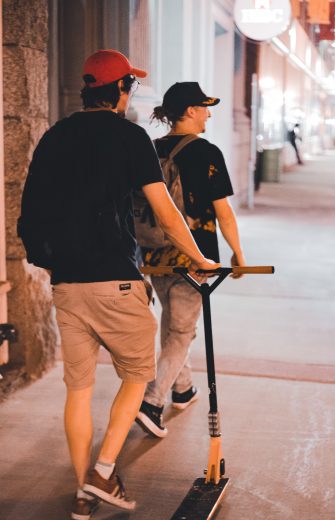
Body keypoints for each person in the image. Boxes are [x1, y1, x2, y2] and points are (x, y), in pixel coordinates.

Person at [18, 51, 218, 520]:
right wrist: (199, 257)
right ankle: (104, 470)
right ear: (123, 88)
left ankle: (82, 493)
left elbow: (32, 204)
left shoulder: (54, 136)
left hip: (66, 283)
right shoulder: (130, 137)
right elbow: (165, 211)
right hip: (117, 281)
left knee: (78, 390)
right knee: (135, 376)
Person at [135, 81, 245, 438]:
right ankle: (152, 402)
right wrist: (239, 254)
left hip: (154, 253)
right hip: (193, 256)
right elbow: (223, 212)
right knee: (182, 331)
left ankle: (182, 390)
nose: (208, 114)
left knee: (173, 323)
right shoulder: (206, 152)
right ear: (191, 111)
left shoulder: (150, 149)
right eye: (204, 108)